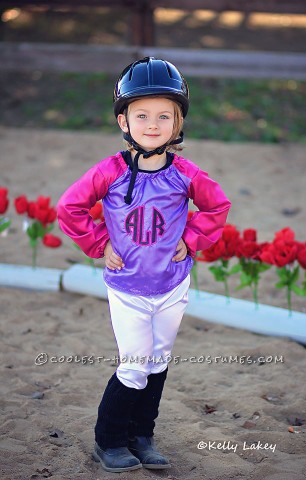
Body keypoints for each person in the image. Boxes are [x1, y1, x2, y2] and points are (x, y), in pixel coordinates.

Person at [57, 56, 231, 473]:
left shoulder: (185, 174)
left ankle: (142, 435)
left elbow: (217, 205)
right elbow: (70, 207)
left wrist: (190, 240)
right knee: (134, 363)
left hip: (171, 285)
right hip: (128, 286)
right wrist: (99, 242)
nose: (152, 124)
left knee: (158, 360)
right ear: (123, 121)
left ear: (177, 123)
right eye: (142, 115)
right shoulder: (110, 171)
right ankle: (109, 440)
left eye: (163, 116)